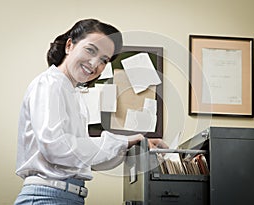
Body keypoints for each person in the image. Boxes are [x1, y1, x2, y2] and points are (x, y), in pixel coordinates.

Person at [14, 19, 168, 205]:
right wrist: (123, 141)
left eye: (104, 60)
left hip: (65, 196)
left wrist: (132, 145)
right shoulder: (50, 84)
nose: (95, 64)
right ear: (69, 45)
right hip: (48, 197)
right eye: (90, 50)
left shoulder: (73, 93)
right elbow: (56, 147)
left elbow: (83, 158)